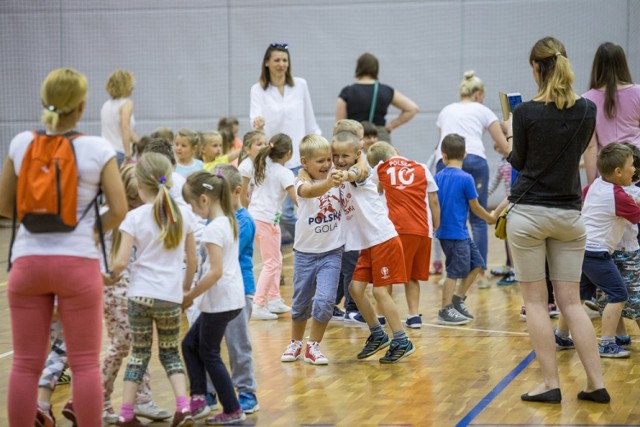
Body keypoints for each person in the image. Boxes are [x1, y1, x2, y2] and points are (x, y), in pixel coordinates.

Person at [0, 67, 127, 426]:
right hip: (77, 264)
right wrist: (90, 229)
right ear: (82, 107)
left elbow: (4, 206)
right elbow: (118, 209)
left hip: (27, 263)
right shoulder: (97, 148)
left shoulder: (21, 143)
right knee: (85, 362)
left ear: (44, 101)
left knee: (25, 364)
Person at [506, 36, 608, 404]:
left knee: (535, 303)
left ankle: (549, 383)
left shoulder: (525, 112)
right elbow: (575, 153)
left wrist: (510, 135)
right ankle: (596, 384)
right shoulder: (586, 110)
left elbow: (519, 162)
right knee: (572, 303)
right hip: (569, 213)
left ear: (536, 67)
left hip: (530, 213)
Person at [109, 153, 197, 426]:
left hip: (139, 295)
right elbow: (192, 260)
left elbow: (121, 262)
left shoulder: (133, 217)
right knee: (170, 352)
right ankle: (183, 408)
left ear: (138, 183)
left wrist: (105, 277)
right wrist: (184, 290)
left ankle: (125, 413)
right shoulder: (183, 214)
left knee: (139, 354)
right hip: (169, 296)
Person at [333, 131, 415, 363]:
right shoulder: (338, 172)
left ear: (357, 154)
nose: (340, 159)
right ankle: (378, 334)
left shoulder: (362, 170)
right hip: (368, 244)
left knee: (380, 292)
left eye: (345, 155)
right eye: (335, 155)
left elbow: (357, 172)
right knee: (355, 289)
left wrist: (347, 171)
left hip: (383, 239)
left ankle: (401, 339)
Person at [101, 164, 171, 425]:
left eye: (136, 198)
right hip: (114, 290)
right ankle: (99, 399)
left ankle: (140, 399)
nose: (132, 204)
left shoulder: (141, 216)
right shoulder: (108, 219)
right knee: (122, 345)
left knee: (136, 346)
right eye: (128, 199)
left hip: (136, 289)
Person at [181, 170, 248, 425]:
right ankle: (199, 399)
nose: (192, 209)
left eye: (192, 204)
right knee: (190, 344)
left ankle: (232, 408)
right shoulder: (229, 221)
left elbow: (215, 271)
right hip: (227, 299)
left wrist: (189, 296)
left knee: (209, 352)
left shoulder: (212, 230)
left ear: (205, 200)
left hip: (220, 301)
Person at [434, 70, 511, 288]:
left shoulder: (446, 110)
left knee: (449, 216)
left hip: (446, 162)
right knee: (478, 219)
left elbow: (442, 143)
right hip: (475, 160)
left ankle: (450, 273)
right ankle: (482, 273)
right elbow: (505, 146)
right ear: (478, 94)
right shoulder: (483, 110)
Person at [280, 135, 346, 365]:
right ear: (304, 162)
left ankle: (313, 346)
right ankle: (295, 342)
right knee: (300, 303)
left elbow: (360, 164)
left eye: (329, 159)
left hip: (332, 252)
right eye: (320, 161)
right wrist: (330, 183)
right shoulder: (300, 182)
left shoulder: (337, 175)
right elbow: (309, 192)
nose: (327, 165)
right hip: (305, 254)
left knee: (326, 301)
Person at [250, 43, 321, 242]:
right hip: (275, 159)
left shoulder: (300, 85)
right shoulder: (258, 89)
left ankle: (309, 239)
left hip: (299, 157)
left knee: (296, 206)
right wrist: (257, 122)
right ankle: (305, 238)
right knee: (281, 210)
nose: (281, 64)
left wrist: (318, 144)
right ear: (267, 63)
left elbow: (310, 120)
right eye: (277, 60)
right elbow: (255, 119)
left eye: (285, 60)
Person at [367, 141, 440, 329]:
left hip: (396, 229)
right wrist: (436, 223)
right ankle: (414, 315)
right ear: (397, 152)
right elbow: (433, 200)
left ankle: (380, 316)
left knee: (388, 276)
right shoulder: (422, 167)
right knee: (413, 275)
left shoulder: (381, 168)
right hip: (423, 229)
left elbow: (371, 191)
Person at [580, 143, 640, 358]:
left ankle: (561, 333)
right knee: (619, 294)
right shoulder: (618, 196)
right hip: (596, 254)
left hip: (581, 249)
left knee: (577, 298)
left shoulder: (595, 184)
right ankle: (606, 343)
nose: (634, 169)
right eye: (632, 165)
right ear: (618, 172)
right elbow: (636, 216)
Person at [211, 163, 260, 414]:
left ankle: (247, 392)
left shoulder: (243, 221)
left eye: (219, 197)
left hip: (240, 293)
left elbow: (225, 253)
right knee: (208, 345)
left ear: (236, 192)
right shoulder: (221, 220)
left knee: (237, 344)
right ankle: (208, 393)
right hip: (218, 292)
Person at [435, 134, 494, 325]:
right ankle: (444, 310)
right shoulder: (467, 178)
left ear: (443, 156)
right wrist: (490, 219)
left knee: (478, 263)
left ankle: (457, 299)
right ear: (465, 154)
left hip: (455, 233)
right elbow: (476, 207)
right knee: (454, 272)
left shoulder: (437, 177)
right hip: (455, 234)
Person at [247, 133, 297, 320]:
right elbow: (296, 198)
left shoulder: (263, 165)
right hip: (266, 220)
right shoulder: (285, 173)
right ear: (289, 153)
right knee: (272, 263)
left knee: (276, 260)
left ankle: (274, 299)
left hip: (257, 218)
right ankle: (259, 304)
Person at [583, 42, 640, 183]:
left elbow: (591, 147)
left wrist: (592, 185)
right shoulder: (638, 93)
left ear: (597, 66)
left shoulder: (586, 100)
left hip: (607, 172)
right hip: (636, 166)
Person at [336, 52, 419, 143]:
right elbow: (412, 108)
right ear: (376, 69)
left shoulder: (347, 91)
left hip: (354, 140)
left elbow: (340, 124)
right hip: (380, 139)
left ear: (358, 68)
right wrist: (391, 125)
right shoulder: (386, 90)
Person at [101, 69, 138, 166]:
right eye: (131, 84)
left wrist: (141, 143)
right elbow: (124, 127)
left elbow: (124, 129)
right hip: (120, 153)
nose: (133, 87)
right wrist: (127, 154)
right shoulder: (126, 103)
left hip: (105, 152)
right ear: (125, 86)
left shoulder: (106, 105)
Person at [239, 130, 268, 208]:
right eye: (259, 144)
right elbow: (242, 197)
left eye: (265, 144)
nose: (264, 147)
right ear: (248, 149)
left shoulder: (264, 164)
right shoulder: (246, 167)